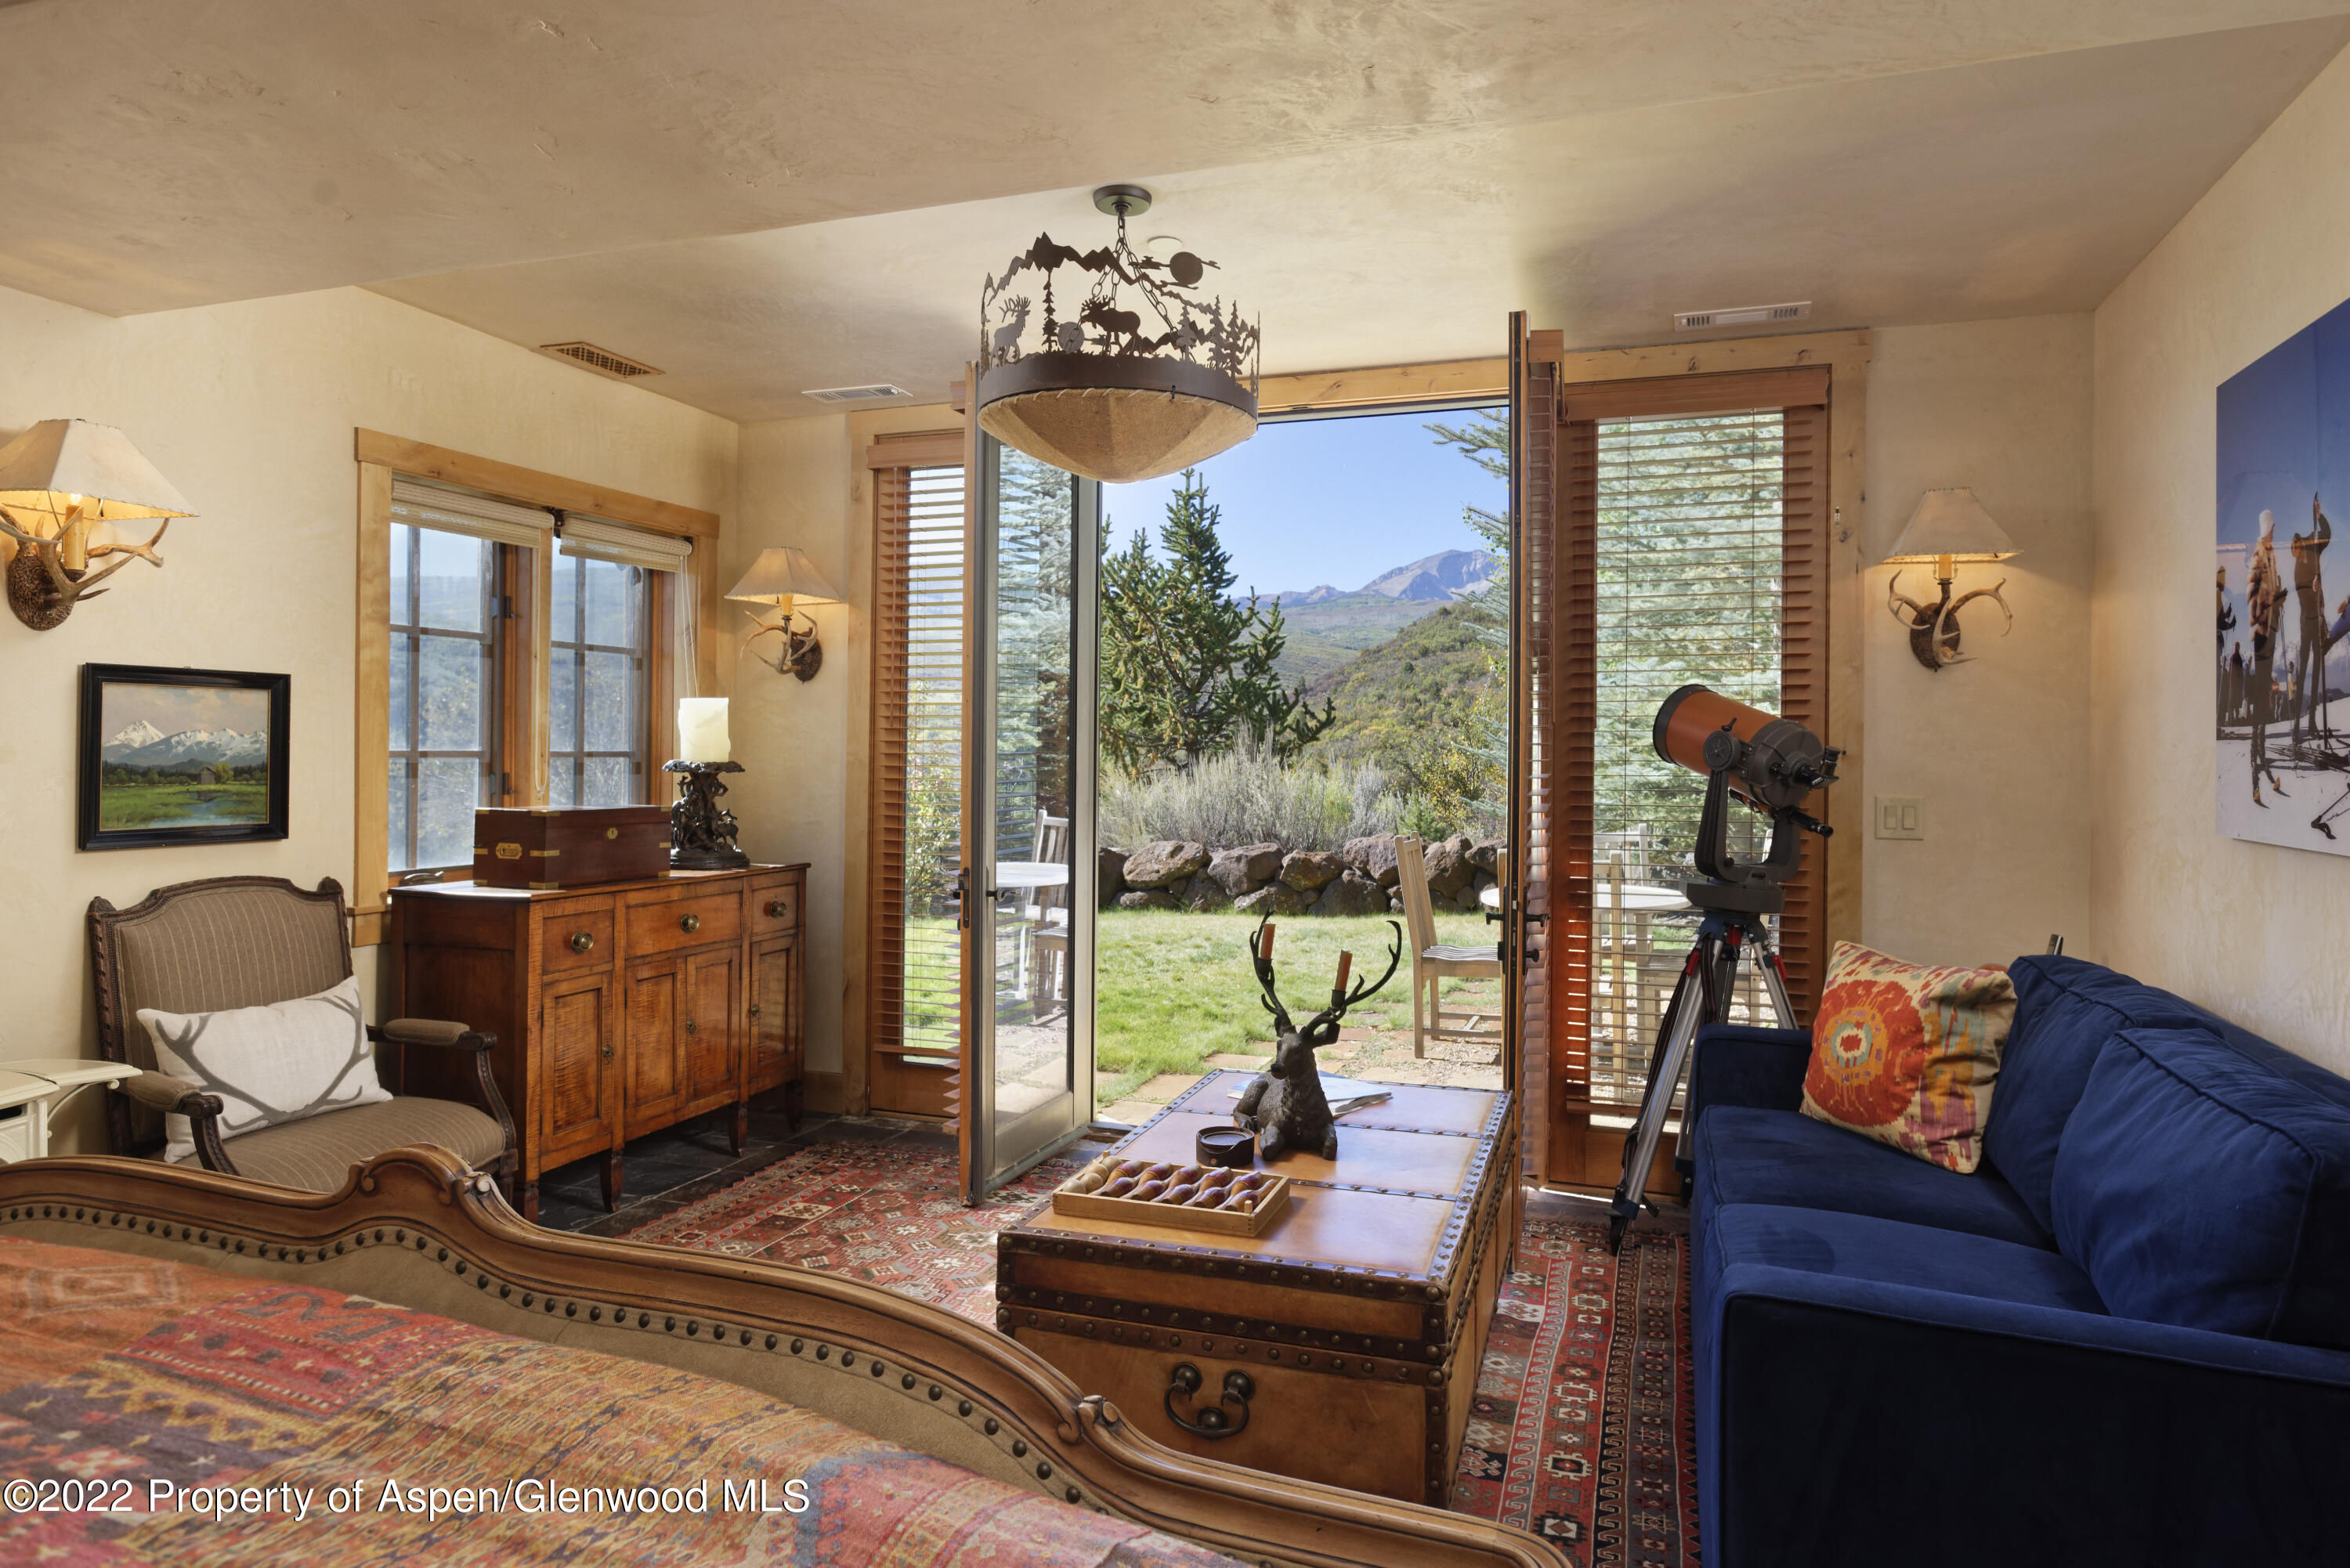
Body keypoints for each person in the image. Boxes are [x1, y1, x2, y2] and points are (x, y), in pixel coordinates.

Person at [2247, 509, 2289, 804]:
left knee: (2265, 695)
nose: (2275, 531)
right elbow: (2253, 601)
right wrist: (2269, 602)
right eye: (2272, 527)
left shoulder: (2270, 556)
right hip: (2262, 632)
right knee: (2262, 694)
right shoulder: (2258, 558)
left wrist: (2278, 597)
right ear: (2266, 529)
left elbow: (2268, 595)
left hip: (2270, 630)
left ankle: (2260, 752)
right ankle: (2255, 752)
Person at [2290, 493, 2333, 744]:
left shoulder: (2311, 545)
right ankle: (2297, 725)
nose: (2294, 553)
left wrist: (2319, 515)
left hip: (2317, 617)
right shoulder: (2298, 570)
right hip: (2307, 620)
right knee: (2305, 667)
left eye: (2295, 548)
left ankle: (2313, 720)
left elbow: (2326, 533)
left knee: (2316, 667)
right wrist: (2313, 587)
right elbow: (2303, 594)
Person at [2227, 640, 2247, 724]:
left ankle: (2234, 720)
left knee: (2235, 702)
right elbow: (2233, 670)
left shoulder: (2236, 657)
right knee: (2234, 702)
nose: (2238, 647)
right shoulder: (2235, 657)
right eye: (2237, 646)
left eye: (2238, 646)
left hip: (2236, 683)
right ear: (2235, 647)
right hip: (2235, 683)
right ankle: (2232, 720)